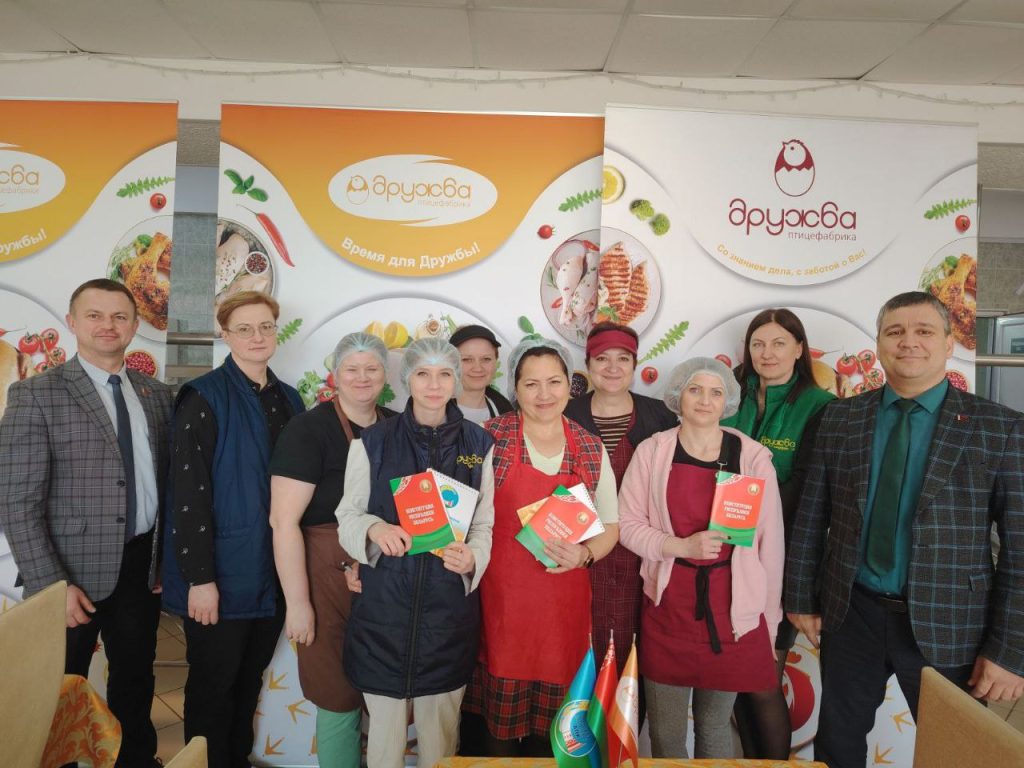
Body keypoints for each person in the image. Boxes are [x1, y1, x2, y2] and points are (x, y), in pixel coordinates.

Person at [786, 291, 1024, 768]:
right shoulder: (840, 418)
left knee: (956, 756)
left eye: (923, 331)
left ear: (949, 343)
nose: (908, 342)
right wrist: (799, 597)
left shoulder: (999, 428)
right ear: (878, 343)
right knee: (837, 744)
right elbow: (812, 513)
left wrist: (1010, 651)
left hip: (952, 622)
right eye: (895, 332)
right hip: (853, 613)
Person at [0, 278, 172, 768]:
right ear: (72, 322)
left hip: (139, 565)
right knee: (58, 686)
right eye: (94, 315)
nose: (107, 326)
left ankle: (133, 760)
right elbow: (16, 500)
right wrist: (52, 584)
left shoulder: (157, 396)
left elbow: (167, 486)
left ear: (135, 326)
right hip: (68, 571)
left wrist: (163, 559)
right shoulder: (36, 394)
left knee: (135, 677)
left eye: (119, 317)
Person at [336, 337, 495, 768]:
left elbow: (483, 524)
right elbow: (347, 515)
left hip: (447, 617)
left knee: (439, 742)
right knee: (384, 744)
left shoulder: (479, 445)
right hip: (383, 615)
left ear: (456, 379)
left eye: (444, 374)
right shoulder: (372, 442)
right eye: (423, 373)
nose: (434, 384)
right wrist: (374, 527)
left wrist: (473, 557)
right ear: (407, 378)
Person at [161, 290, 304, 768]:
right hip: (220, 574)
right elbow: (187, 495)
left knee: (248, 683)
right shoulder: (203, 397)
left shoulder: (290, 398)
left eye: (265, 326)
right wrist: (200, 580)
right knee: (212, 687)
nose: (257, 336)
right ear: (225, 335)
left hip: (273, 571)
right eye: (244, 328)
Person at [618, 356, 784, 759]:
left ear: (728, 400)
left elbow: (771, 546)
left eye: (715, 392)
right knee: (667, 732)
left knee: (715, 726)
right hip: (669, 606)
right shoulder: (653, 451)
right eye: (695, 390)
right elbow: (626, 525)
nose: (705, 400)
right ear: (679, 395)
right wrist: (679, 547)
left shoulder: (752, 457)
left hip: (733, 613)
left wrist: (769, 623)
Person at [461, 338, 620, 756]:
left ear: (571, 385)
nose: (544, 394)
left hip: (562, 611)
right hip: (500, 607)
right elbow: (461, 515)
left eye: (554, 382)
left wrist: (586, 554)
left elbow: (611, 525)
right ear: (514, 388)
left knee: (551, 740)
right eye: (531, 384)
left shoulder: (590, 447)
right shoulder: (487, 439)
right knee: (495, 735)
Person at [269, 332, 396, 767]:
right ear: (335, 375)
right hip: (324, 578)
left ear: (385, 375)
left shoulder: (397, 426)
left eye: (371, 368)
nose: (362, 377)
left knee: (387, 694)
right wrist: (298, 604)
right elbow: (283, 522)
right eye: (351, 369)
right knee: (337, 693)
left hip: (386, 573)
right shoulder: (308, 430)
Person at [720, 309, 835, 759]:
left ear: (799, 349)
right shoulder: (728, 392)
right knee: (734, 679)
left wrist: (743, 515)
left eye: (779, 343)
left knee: (764, 675)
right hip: (719, 551)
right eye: (758, 344)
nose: (767, 354)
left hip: (779, 556)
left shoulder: (819, 405)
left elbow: (808, 485)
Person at [564, 322, 676, 673]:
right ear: (588, 364)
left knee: (634, 657)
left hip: (641, 557)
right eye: (602, 359)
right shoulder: (566, 414)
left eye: (623, 359)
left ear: (635, 364)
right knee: (579, 651)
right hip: (579, 555)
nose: (612, 367)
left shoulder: (660, 416)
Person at [451, 324, 513, 424]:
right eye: (467, 359)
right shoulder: (430, 411)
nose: (478, 368)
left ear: (495, 361)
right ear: (451, 362)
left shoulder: (507, 412)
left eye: (486, 359)